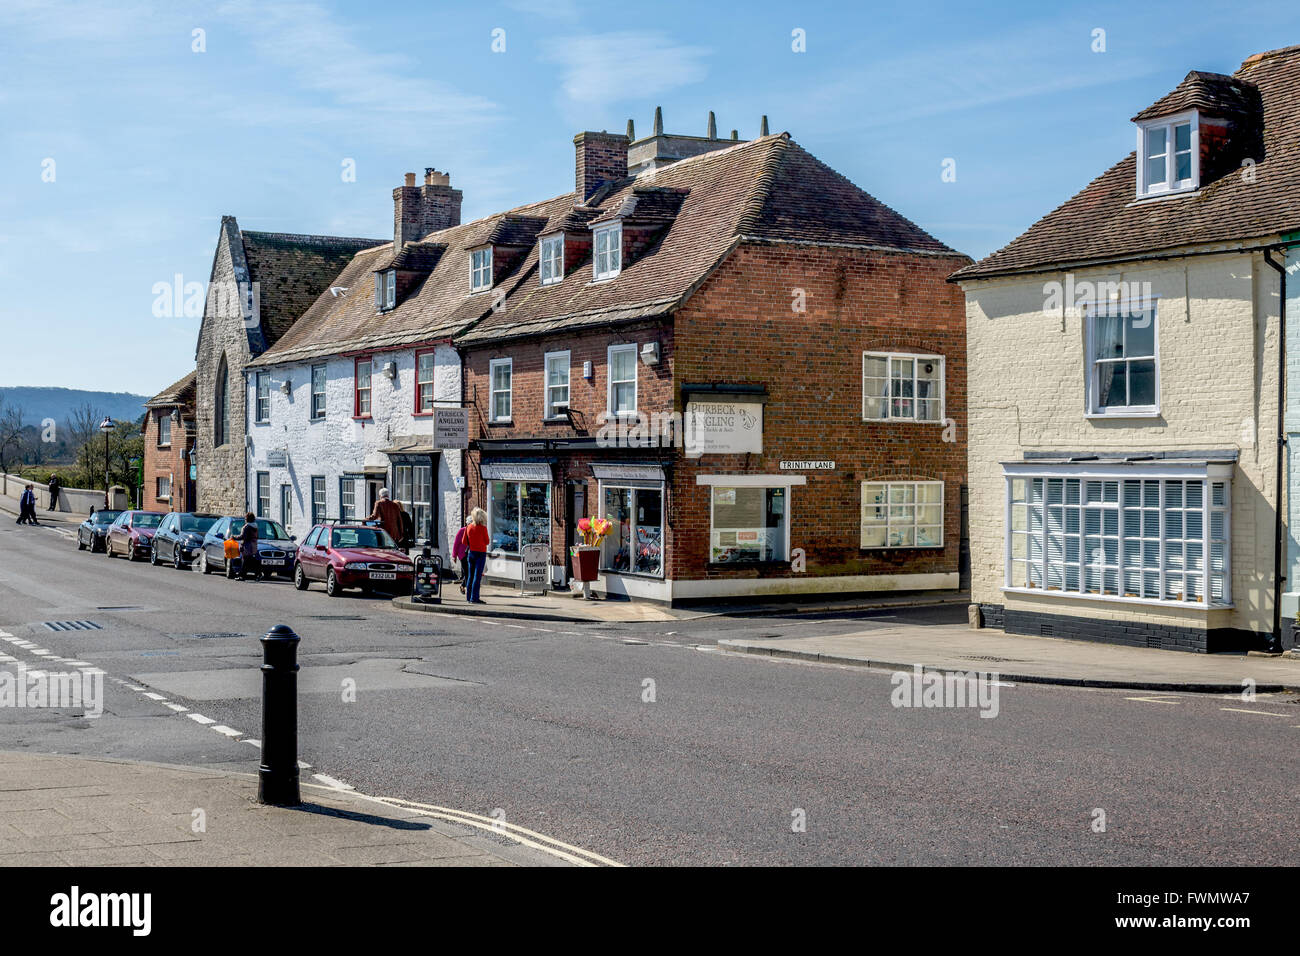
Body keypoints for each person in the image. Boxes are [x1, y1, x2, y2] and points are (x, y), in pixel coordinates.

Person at [464, 507, 490, 604]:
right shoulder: (483, 528)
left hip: (471, 553)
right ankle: (474, 598)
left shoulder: (468, 527)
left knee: (470, 576)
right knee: (477, 576)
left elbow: (464, 541)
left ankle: (468, 596)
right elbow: (487, 541)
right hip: (480, 554)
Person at [239, 512, 261, 581]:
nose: (245, 520)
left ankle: (242, 576)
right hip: (253, 545)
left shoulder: (247, 527)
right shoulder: (255, 526)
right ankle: (258, 574)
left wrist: (233, 537)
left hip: (247, 546)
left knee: (245, 561)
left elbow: (242, 536)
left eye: (245, 518)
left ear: (247, 519)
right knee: (251, 560)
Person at [452, 521, 470, 594]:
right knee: (467, 572)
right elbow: (456, 543)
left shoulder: (474, 531)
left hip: (471, 554)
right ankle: (463, 585)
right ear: (467, 523)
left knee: (469, 572)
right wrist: (454, 555)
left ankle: (464, 585)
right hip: (462, 554)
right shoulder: (462, 530)